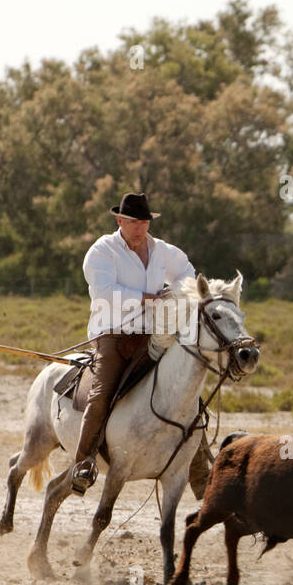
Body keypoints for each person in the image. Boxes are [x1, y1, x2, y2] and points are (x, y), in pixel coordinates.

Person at [75, 192, 195, 494]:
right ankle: (83, 462)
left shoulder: (162, 250)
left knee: (185, 389)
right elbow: (103, 293)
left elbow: (187, 273)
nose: (141, 228)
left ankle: (201, 470)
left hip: (151, 336)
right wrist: (147, 298)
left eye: (145, 222)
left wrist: (173, 292)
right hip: (112, 337)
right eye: (134, 222)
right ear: (120, 221)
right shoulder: (102, 251)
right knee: (101, 394)